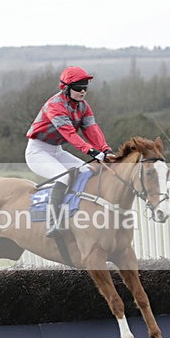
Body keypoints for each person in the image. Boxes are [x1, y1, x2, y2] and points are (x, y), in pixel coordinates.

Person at [25, 66, 113, 237]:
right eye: (78, 88)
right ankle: (53, 222)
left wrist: (105, 149)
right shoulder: (55, 106)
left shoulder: (84, 106)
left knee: (87, 172)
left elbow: (92, 129)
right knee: (65, 176)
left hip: (57, 150)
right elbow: (69, 134)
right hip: (37, 151)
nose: (83, 92)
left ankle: (79, 214)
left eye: (85, 88)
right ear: (66, 88)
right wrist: (91, 151)